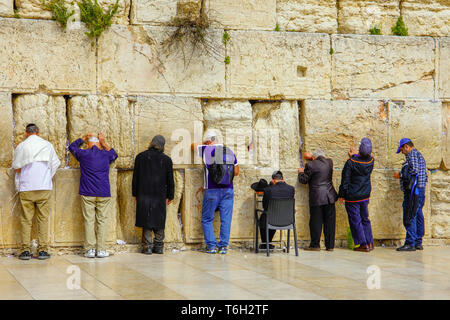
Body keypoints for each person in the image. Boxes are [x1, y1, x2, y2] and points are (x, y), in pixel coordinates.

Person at [12, 123, 60, 260]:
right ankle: (43, 250)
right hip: (43, 187)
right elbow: (55, 163)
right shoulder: (47, 145)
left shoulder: (22, 146)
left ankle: (25, 251)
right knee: (43, 219)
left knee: (26, 220)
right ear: (38, 133)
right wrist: (46, 176)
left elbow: (17, 167)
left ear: (26, 133)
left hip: (27, 187)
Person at [69, 132, 117, 258]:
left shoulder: (83, 154)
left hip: (87, 192)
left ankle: (90, 249)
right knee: (102, 221)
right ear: (99, 145)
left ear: (88, 145)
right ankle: (101, 250)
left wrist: (82, 139)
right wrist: (104, 142)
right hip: (103, 192)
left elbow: (72, 147)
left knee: (89, 220)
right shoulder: (106, 154)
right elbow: (115, 154)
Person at [192, 129, 239, 254]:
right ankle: (223, 247)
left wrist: (204, 144)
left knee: (207, 219)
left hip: (212, 190)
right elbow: (236, 172)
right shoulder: (229, 151)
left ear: (208, 141)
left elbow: (193, 146)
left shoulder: (206, 150)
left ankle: (211, 246)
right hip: (228, 190)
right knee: (226, 219)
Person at [132, 135, 174, 255]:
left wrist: (135, 193)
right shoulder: (166, 160)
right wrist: (170, 195)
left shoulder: (140, 157)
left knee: (146, 219)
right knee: (159, 219)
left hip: (143, 194)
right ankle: (159, 246)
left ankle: (147, 247)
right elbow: (170, 180)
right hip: (159, 195)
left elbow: (135, 178)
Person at [338, 138, 375, 252]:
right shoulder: (371, 161)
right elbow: (362, 160)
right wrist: (354, 156)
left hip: (353, 196)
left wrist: (341, 195)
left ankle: (362, 244)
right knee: (365, 218)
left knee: (355, 220)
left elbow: (345, 180)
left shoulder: (351, 163)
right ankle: (369, 242)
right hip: (365, 194)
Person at [298, 150, 338, 251]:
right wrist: (312, 157)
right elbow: (320, 160)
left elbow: (304, 180)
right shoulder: (330, 162)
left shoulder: (310, 165)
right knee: (330, 223)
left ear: (313, 157)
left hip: (317, 197)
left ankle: (315, 245)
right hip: (330, 196)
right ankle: (330, 246)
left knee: (316, 221)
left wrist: (300, 172)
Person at [393, 138, 427, 251]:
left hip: (413, 191)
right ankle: (418, 241)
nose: (402, 152)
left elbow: (414, 171)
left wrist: (401, 175)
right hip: (419, 190)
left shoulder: (412, 154)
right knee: (417, 214)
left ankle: (410, 243)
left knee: (410, 213)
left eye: (402, 150)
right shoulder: (418, 154)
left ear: (406, 147)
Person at [259, 171, 295, 250]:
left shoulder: (268, 190)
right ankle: (268, 243)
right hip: (287, 220)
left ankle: (265, 244)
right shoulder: (291, 189)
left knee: (265, 216)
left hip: (272, 220)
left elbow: (264, 206)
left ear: (273, 180)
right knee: (273, 215)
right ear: (283, 179)